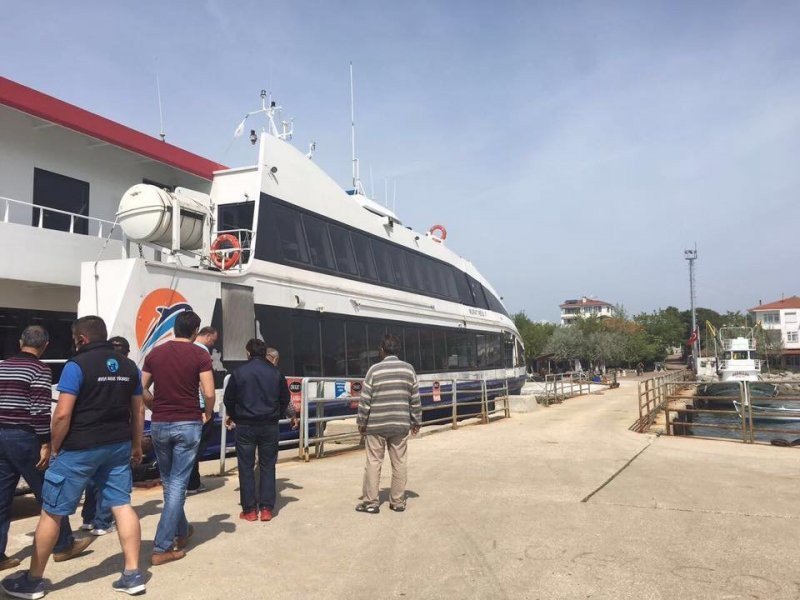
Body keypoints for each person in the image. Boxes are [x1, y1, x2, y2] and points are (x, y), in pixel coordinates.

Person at [1, 317, 146, 598]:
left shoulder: (76, 366)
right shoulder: (129, 366)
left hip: (79, 447)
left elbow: (63, 414)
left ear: (81, 338)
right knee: (122, 505)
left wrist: (54, 447)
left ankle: (33, 580)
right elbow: (138, 411)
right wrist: (136, 445)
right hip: (117, 445)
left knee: (53, 511)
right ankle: (132, 575)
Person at [0, 326, 89, 574]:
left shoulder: (3, 366)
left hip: (1, 436)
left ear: (20, 342)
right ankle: (63, 544)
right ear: (45, 346)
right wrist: (46, 443)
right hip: (24, 438)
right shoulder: (39, 369)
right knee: (49, 491)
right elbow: (39, 410)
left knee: (1, 497)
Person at [141, 311, 214, 566]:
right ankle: (162, 547)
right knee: (178, 485)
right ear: (195, 332)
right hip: (188, 422)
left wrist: (154, 405)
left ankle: (181, 531)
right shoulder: (200, 355)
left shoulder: (155, 354)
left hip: (160, 423)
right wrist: (206, 413)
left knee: (171, 481)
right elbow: (208, 391)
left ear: (174, 328)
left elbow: (141, 388)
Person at [223, 339, 290, 522]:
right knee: (268, 466)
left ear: (248, 352)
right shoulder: (276, 373)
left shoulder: (238, 373)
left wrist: (235, 415)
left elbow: (228, 399)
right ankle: (267, 509)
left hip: (245, 425)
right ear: (264, 352)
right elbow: (285, 398)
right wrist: (276, 414)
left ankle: (250, 510)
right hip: (269, 425)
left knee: (245, 467)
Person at [355, 334, 421, 515]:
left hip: (376, 424)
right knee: (399, 462)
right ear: (397, 351)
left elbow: (365, 400)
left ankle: (370, 502)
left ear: (382, 350)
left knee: (374, 462)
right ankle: (398, 501)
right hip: (400, 424)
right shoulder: (409, 370)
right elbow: (414, 399)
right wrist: (416, 420)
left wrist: (361, 422)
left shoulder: (374, 370)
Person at [80, 336, 137, 536]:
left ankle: (88, 518)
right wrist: (137, 443)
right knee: (111, 481)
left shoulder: (91, 364)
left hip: (89, 432)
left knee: (92, 479)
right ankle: (103, 522)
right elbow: (136, 407)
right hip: (117, 434)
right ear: (128, 352)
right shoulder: (129, 368)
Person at [187, 326, 218, 495]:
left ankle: (190, 481)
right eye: (213, 340)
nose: (213, 344)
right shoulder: (202, 353)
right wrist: (208, 410)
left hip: (184, 407)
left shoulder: (186, 350)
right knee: (197, 447)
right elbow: (205, 387)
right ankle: (192, 482)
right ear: (206, 336)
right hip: (199, 407)